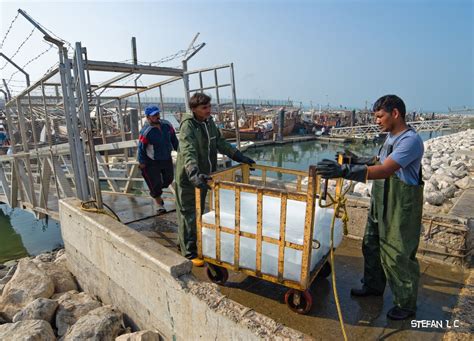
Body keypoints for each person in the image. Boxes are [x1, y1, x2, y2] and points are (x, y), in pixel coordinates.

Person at [316, 95, 424, 321]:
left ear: (395, 113)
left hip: (400, 206)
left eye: (379, 116)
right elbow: (379, 160)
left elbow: (385, 170)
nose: (376, 121)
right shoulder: (391, 138)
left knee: (397, 254)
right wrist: (353, 160)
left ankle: (406, 304)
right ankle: (374, 286)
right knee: (371, 244)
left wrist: (344, 172)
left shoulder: (410, 140)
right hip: (381, 201)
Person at [175, 93, 255, 267]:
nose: (208, 110)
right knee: (188, 213)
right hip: (189, 177)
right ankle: (189, 252)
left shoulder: (209, 122)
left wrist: (239, 156)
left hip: (204, 175)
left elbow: (220, 142)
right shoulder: (188, 126)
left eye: (209, 106)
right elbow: (188, 150)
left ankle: (186, 240)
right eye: (204, 108)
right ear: (194, 109)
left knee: (198, 212)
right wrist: (193, 172)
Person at [138, 105, 178, 214]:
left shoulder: (167, 125)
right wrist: (141, 162)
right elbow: (141, 148)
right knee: (154, 183)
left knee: (169, 179)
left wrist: (179, 150)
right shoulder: (146, 131)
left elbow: (174, 139)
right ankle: (159, 203)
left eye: (157, 114)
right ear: (148, 117)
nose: (157, 116)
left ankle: (158, 191)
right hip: (152, 161)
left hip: (166, 158)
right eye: (154, 115)